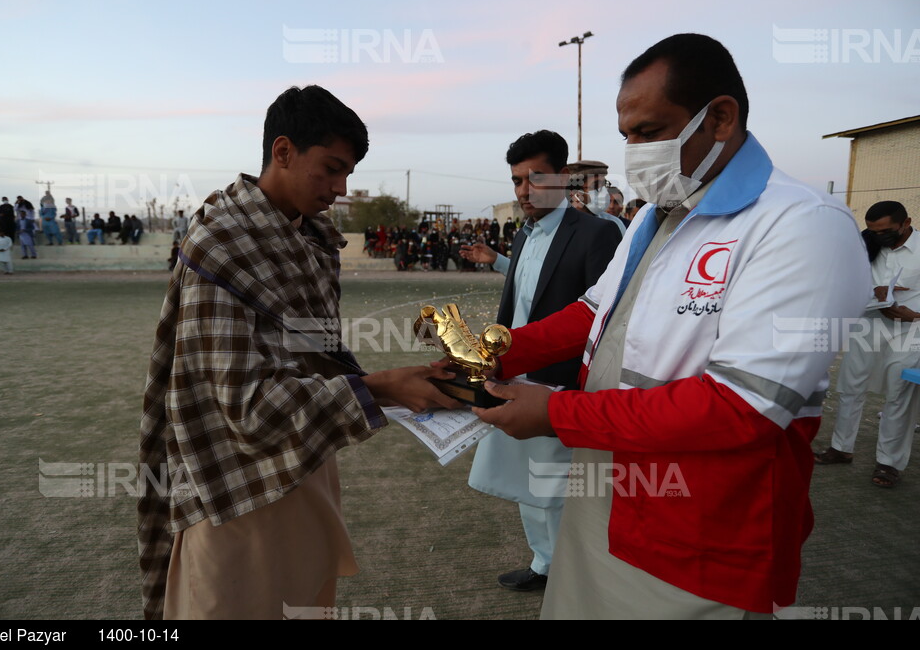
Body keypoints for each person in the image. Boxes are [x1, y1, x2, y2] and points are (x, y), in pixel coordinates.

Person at [468, 33, 872, 619]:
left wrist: (555, 413)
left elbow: (744, 408)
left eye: (651, 132)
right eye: (627, 136)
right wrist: (491, 354)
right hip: (607, 486)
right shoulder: (658, 217)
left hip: (701, 530)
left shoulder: (802, 225)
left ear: (721, 118)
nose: (635, 152)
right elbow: (591, 316)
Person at [138, 84, 459, 621]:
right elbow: (245, 408)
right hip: (235, 488)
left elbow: (315, 359)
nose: (340, 188)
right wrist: (377, 388)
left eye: (348, 174)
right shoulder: (222, 242)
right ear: (283, 151)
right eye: (331, 169)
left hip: (306, 459)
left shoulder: (310, 239)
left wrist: (399, 382)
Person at [460, 130, 621, 592]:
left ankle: (577, 572)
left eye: (535, 178)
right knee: (525, 482)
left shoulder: (597, 232)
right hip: (517, 374)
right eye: (516, 181)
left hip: (564, 385)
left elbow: (603, 319)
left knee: (562, 487)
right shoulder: (526, 234)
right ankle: (544, 563)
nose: (524, 191)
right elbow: (522, 302)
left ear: (563, 177)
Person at [815, 200, 920, 488]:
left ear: (906, 223)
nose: (878, 236)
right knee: (850, 388)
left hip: (909, 332)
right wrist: (871, 292)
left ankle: (889, 464)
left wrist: (915, 315)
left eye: (885, 231)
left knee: (898, 397)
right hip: (868, 325)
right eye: (873, 230)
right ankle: (841, 448)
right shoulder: (867, 246)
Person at [567, 160, 626, 237]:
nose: (603, 191)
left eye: (604, 184)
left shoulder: (615, 223)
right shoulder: (560, 224)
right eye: (595, 185)